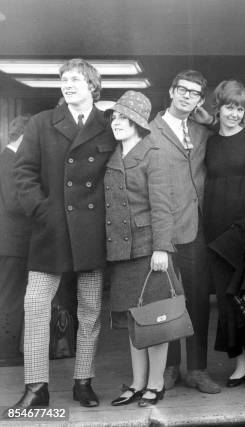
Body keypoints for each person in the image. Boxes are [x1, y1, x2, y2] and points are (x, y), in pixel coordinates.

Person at [11, 59, 116, 409]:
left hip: (92, 230)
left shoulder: (108, 125)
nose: (68, 85)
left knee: (89, 309)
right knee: (36, 304)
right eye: (64, 80)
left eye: (75, 79)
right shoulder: (42, 123)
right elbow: (23, 173)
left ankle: (83, 381)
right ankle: (36, 386)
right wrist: (42, 211)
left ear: (92, 86)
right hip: (51, 229)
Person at [104, 90, 179, 407]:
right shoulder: (113, 153)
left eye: (124, 117)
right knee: (133, 321)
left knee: (155, 320)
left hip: (149, 251)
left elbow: (163, 207)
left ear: (138, 122)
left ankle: (156, 383)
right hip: (121, 252)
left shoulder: (154, 153)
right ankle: (137, 383)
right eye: (115, 117)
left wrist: (161, 248)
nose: (117, 123)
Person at [148, 70, 220, 394]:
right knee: (166, 303)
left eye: (194, 93)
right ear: (171, 90)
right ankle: (168, 369)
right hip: (164, 231)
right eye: (182, 90)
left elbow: (230, 133)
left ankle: (198, 369)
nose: (187, 96)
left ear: (200, 100)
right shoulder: (149, 131)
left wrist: (212, 118)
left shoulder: (202, 131)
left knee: (198, 303)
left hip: (198, 229)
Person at [202, 80, 245, 388]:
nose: (235, 113)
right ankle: (240, 363)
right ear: (219, 107)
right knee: (228, 298)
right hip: (215, 227)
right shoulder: (210, 140)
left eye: (240, 108)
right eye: (230, 106)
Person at [0, 115, 32, 363]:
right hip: (13, 241)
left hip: (9, 241)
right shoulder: (10, 161)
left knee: (9, 294)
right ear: (23, 136)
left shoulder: (5, 158)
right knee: (11, 296)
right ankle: (6, 352)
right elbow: (13, 203)